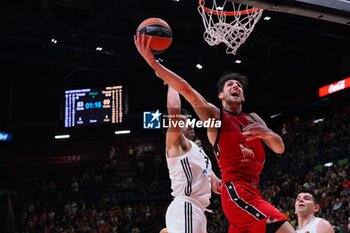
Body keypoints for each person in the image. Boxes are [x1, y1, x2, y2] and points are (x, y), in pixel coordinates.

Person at [135, 32, 296, 233]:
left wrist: (267, 134)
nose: (235, 86)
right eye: (230, 85)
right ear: (221, 96)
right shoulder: (216, 118)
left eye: (238, 85)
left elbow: (279, 148)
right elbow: (188, 92)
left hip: (248, 191)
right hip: (236, 191)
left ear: (243, 96)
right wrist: (155, 65)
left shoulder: (254, 119)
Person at [162, 85, 221, 233]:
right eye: (183, 122)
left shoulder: (200, 153)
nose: (188, 124)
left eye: (188, 120)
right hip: (186, 206)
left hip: (199, 210)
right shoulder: (176, 145)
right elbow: (174, 110)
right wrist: (171, 83)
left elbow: (215, 184)